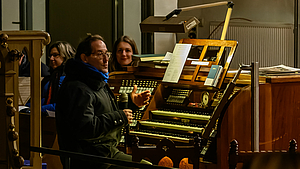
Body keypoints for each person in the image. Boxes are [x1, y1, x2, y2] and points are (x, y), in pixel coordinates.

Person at [55, 34, 151, 169]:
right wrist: (120, 117)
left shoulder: (96, 80)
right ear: (84, 58)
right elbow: (85, 128)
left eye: (107, 54)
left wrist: (131, 105)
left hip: (104, 152)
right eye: (100, 54)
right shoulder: (78, 87)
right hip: (89, 159)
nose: (106, 59)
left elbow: (102, 112)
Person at [25, 41, 76, 115]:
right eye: (50, 55)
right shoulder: (49, 78)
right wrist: (26, 107)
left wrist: (38, 109)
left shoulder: (70, 79)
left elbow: (62, 105)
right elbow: (40, 98)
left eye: (55, 55)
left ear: (66, 56)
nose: (51, 59)